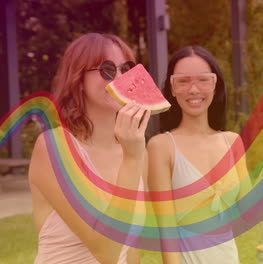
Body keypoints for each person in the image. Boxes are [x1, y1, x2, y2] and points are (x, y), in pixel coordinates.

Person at [28, 33, 149, 264]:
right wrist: (132, 159)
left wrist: (133, 154)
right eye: (107, 69)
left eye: (126, 68)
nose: (120, 77)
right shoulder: (54, 147)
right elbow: (107, 252)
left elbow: (130, 248)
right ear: (78, 80)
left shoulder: (133, 149)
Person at [147, 46, 251, 264]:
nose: (193, 89)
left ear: (215, 86)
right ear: (172, 89)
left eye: (203, 80)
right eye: (183, 81)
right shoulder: (161, 146)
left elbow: (247, 211)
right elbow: (167, 232)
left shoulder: (232, 141)